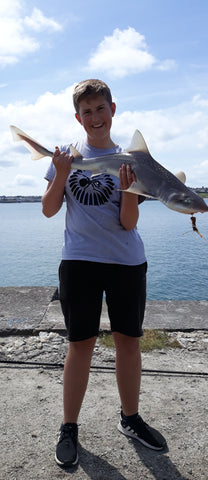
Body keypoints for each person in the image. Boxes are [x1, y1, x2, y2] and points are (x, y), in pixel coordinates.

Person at [42, 79, 164, 468]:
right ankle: (69, 427)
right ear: (78, 117)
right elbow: (48, 209)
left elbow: (128, 224)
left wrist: (130, 190)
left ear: (114, 110)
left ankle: (130, 418)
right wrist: (61, 172)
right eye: (87, 111)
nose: (95, 117)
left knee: (129, 343)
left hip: (126, 263)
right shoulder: (66, 154)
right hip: (79, 262)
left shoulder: (133, 161)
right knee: (81, 345)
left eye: (101, 108)